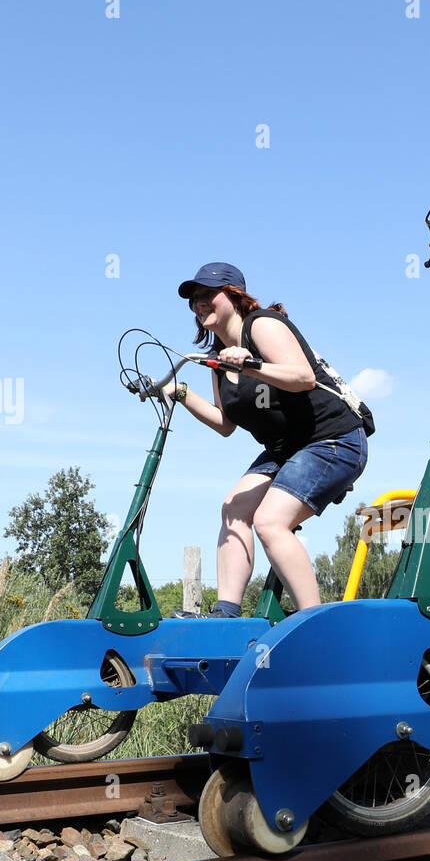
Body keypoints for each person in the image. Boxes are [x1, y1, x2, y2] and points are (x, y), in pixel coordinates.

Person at [167, 263, 369, 613]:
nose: (199, 304)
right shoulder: (217, 359)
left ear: (234, 294)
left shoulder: (262, 325)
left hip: (331, 439)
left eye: (207, 294)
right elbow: (225, 423)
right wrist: (181, 393)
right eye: (194, 299)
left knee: (269, 521)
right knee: (234, 508)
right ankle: (226, 615)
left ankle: (311, 621)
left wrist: (249, 364)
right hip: (285, 450)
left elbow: (302, 377)